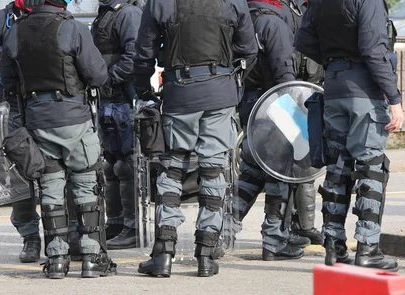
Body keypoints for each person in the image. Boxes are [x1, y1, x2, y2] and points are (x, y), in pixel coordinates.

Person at [132, 0, 258, 277]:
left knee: (173, 169)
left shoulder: (160, 3)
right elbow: (249, 50)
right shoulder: (234, 2)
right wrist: (226, 75)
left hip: (180, 91)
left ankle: (164, 254)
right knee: (213, 170)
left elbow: (143, 53)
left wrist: (143, 89)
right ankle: (206, 254)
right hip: (220, 91)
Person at [1, 0, 117, 279]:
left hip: (38, 121)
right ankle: (91, 258)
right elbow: (98, 75)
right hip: (73, 118)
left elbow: (8, 80)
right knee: (87, 186)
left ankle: (56, 260)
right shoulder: (73, 29)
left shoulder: (15, 32)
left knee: (51, 190)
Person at [295, 0, 403, 271]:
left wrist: (334, 61)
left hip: (333, 86)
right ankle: (368, 248)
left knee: (338, 167)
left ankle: (333, 247)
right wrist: (394, 97)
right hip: (363, 87)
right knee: (371, 169)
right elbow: (373, 49)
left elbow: (303, 41)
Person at [234, 0, 309, 261]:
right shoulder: (273, 23)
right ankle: (274, 240)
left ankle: (223, 229)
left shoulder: (244, 19)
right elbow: (284, 76)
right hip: (275, 104)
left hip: (250, 105)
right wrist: (296, 108)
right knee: (280, 173)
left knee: (251, 172)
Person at [0, 0, 43, 264]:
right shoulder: (0, 19)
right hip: (10, 106)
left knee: (56, 173)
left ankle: (63, 236)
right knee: (18, 177)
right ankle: (30, 237)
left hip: (46, 106)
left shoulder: (57, 16)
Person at [91, 0, 143, 250]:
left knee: (126, 164)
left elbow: (134, 56)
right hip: (108, 99)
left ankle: (132, 227)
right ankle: (116, 223)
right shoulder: (106, 13)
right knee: (110, 164)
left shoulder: (128, 13)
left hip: (123, 98)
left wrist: (109, 80)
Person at [279, 0, 325, 245]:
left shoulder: (311, 8)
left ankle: (301, 225)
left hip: (309, 91)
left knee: (305, 158)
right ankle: (298, 227)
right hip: (288, 92)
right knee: (299, 160)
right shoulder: (286, 9)